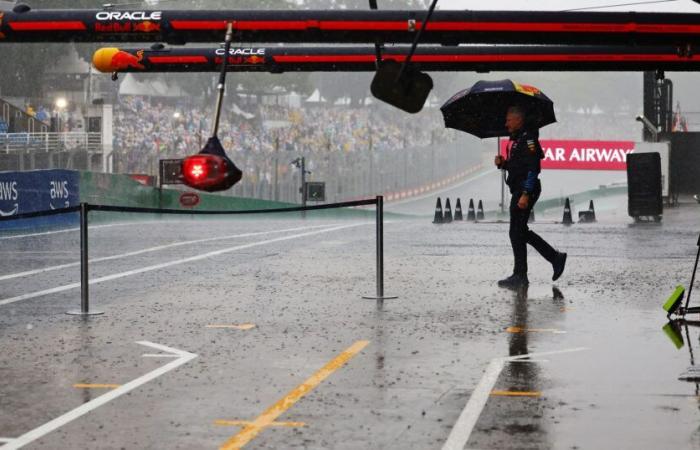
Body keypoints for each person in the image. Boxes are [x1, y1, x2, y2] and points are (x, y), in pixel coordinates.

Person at [494, 105, 567, 289]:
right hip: (519, 189)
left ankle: (524, 273)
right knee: (518, 232)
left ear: (518, 120)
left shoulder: (529, 140)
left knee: (517, 231)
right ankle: (533, 268)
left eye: (509, 120)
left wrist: (526, 194)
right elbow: (518, 166)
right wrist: (504, 164)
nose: (506, 123)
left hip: (526, 190)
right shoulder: (518, 139)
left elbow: (534, 168)